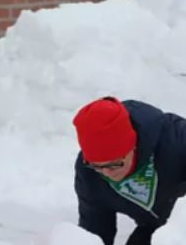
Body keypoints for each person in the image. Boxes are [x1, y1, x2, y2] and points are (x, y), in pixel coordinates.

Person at [73, 96, 186, 244]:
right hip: (153, 226)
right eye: (97, 165)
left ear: (133, 146)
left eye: (114, 164)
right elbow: (95, 231)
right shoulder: (88, 173)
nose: (107, 172)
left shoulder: (176, 140)